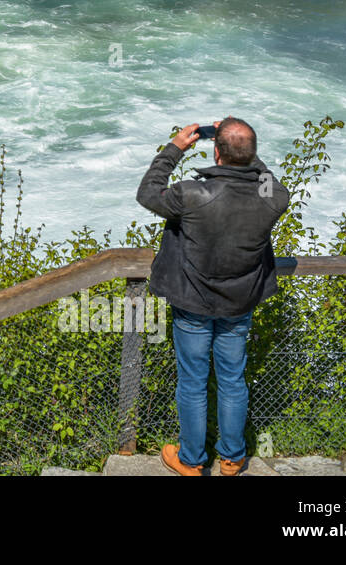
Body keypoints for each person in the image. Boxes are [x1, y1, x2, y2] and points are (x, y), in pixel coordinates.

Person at [136, 117, 289, 476]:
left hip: (193, 302)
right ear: (252, 155)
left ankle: (191, 461)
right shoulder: (272, 198)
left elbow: (147, 193)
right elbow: (268, 181)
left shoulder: (191, 194)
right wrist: (243, 150)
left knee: (192, 382)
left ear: (215, 151)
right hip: (239, 303)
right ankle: (233, 458)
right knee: (233, 379)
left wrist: (175, 147)